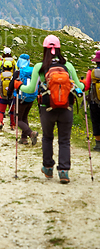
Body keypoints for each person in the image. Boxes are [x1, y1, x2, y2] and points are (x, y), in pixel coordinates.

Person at [16, 35, 84, 184]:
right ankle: (64, 171)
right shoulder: (69, 66)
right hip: (67, 108)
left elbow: (30, 89)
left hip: (47, 108)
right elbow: (80, 87)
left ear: (45, 49)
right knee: (64, 140)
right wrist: (83, 83)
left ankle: (48, 168)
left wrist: (18, 85)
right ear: (59, 48)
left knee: (48, 137)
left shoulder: (40, 67)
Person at [7, 54, 38, 145]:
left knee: (17, 119)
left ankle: (31, 133)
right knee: (24, 117)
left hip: (21, 98)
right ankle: (24, 138)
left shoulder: (18, 72)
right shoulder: (33, 71)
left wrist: (9, 93)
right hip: (31, 97)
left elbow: (12, 84)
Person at [81, 50, 100, 151]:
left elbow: (87, 87)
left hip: (94, 101)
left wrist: (82, 82)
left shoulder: (91, 72)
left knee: (96, 121)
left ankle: (98, 143)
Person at [0, 59, 15, 130]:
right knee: (12, 111)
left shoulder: (0, 76)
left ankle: (0, 122)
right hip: (12, 96)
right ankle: (12, 125)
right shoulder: (13, 76)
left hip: (2, 96)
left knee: (1, 111)